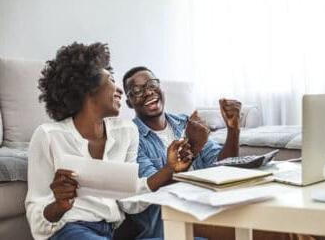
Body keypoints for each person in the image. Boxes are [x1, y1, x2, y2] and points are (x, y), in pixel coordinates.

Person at [25, 43, 192, 240]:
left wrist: (169, 170)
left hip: (110, 233)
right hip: (68, 230)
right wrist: (59, 205)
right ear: (88, 87)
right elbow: (37, 220)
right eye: (111, 79)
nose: (120, 89)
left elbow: (129, 201)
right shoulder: (48, 135)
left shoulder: (126, 132)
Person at [121, 66, 241, 239]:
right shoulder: (131, 137)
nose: (148, 92)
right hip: (172, 224)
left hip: (209, 209)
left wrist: (233, 129)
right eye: (137, 90)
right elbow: (154, 190)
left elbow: (223, 166)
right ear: (129, 102)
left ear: (161, 88)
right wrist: (193, 147)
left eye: (152, 84)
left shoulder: (184, 122)